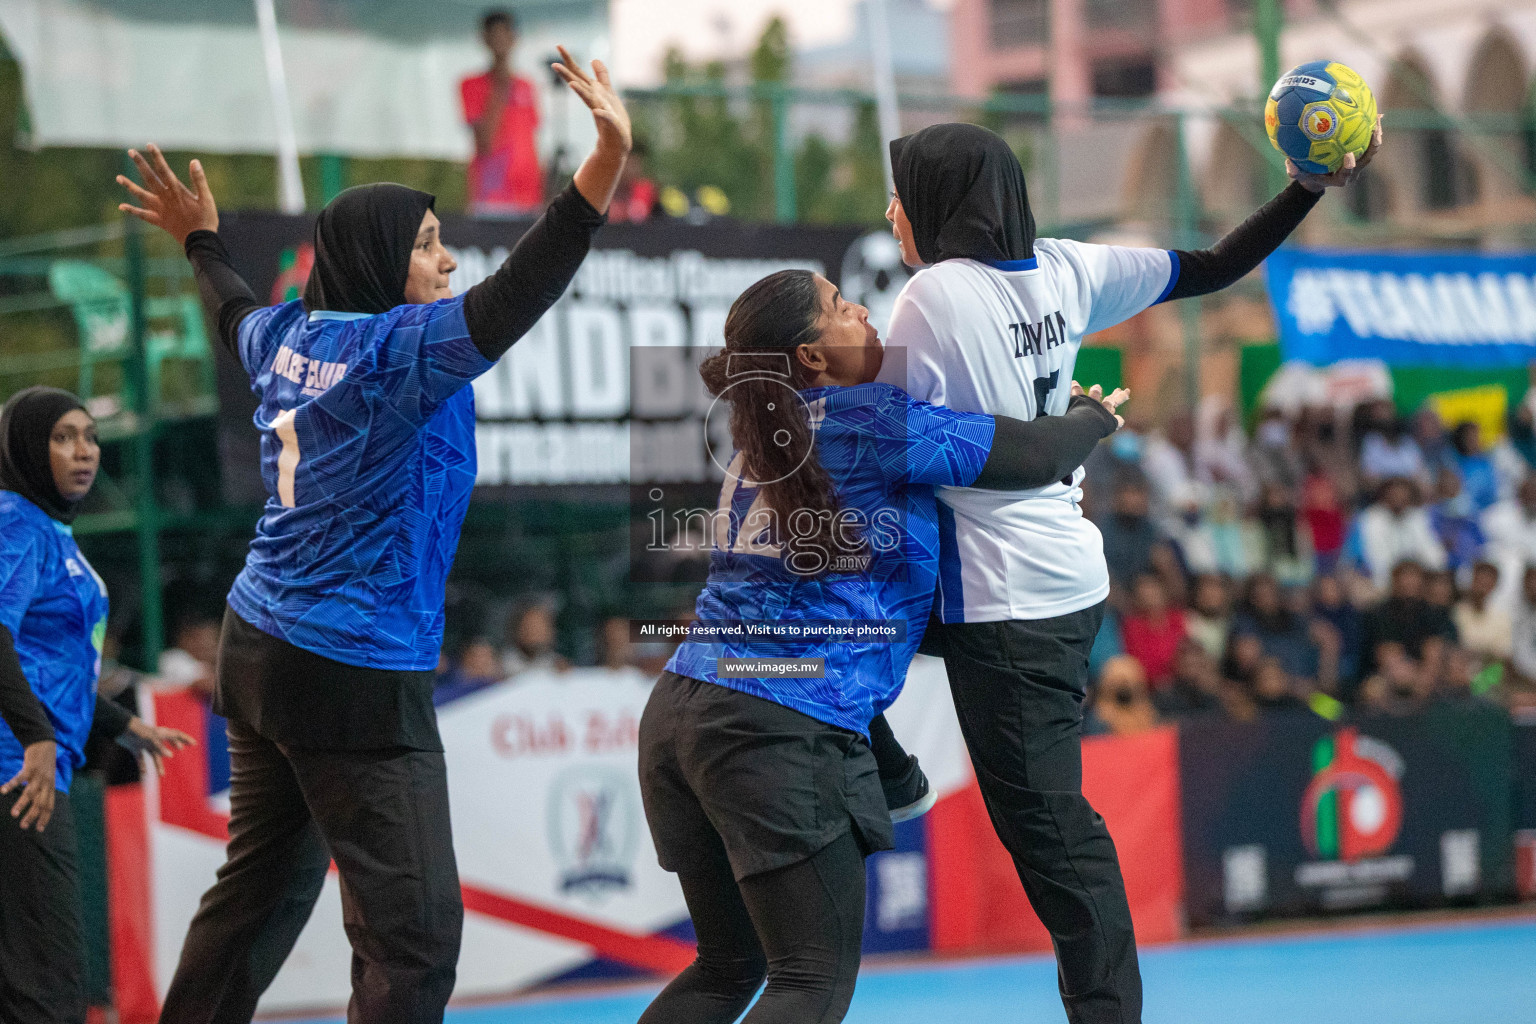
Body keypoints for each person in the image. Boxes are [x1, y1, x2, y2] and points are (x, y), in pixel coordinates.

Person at [115, 48, 630, 1023]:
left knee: (257, 900)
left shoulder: (289, 335)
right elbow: (521, 290)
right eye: (430, 244)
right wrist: (600, 167)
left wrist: (200, 241)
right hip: (349, 669)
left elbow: (230, 308)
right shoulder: (398, 351)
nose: (449, 262)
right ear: (382, 261)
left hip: (258, 645)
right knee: (417, 939)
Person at [878, 117, 1381, 1024]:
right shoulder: (1067, 268)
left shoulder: (935, 295)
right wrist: (1305, 188)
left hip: (1003, 596)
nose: (890, 210)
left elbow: (894, 443)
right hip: (1061, 574)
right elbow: (1216, 265)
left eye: (902, 193)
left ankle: (1108, 1010)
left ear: (940, 206)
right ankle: (884, 763)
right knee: (846, 627)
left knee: (1050, 833)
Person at [637, 269, 1127, 1024]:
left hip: (678, 712)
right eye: (839, 308)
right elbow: (1030, 456)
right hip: (774, 726)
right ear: (809, 357)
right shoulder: (870, 422)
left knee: (728, 965)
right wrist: (1093, 416)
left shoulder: (762, 442)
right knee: (809, 981)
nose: (862, 312)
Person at [0, 386, 194, 1024]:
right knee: (47, 981)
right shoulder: (14, 520)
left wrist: (120, 722)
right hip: (18, 771)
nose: (84, 452)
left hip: (35, 761)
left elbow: (47, 664)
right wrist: (34, 737)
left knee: (37, 974)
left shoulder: (49, 530)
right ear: (26, 448)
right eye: (61, 437)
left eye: (89, 436)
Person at [460, 8, 543, 214]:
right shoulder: (471, 85)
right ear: (485, 39)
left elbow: (532, 142)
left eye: (505, 35)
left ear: (514, 38)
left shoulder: (526, 85)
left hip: (528, 198)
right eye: (495, 35)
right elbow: (485, 142)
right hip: (492, 196)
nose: (501, 42)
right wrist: (501, 82)